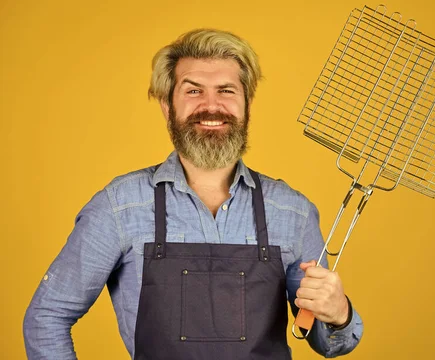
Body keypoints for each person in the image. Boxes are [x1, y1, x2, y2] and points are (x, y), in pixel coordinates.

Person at [23, 28, 363, 359]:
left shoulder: (292, 212)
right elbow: (46, 318)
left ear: (247, 103)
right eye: (193, 91)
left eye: (227, 90)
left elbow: (328, 343)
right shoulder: (120, 206)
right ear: (167, 106)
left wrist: (339, 314)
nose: (211, 106)